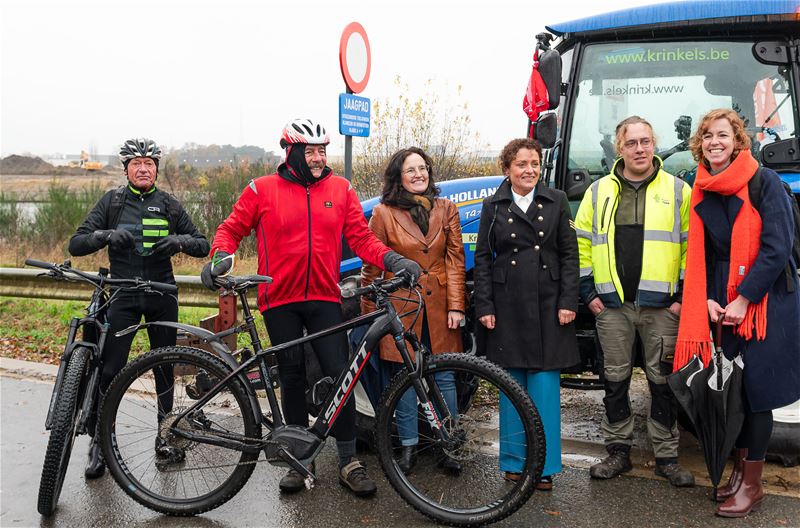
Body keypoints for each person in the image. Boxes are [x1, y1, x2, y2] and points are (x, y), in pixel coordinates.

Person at [201, 118, 421, 497]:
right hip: (279, 298)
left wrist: (392, 260)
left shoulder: (340, 189)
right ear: (292, 152)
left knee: (342, 375)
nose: (318, 158)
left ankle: (349, 461)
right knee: (292, 376)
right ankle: (298, 461)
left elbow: (361, 237)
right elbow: (231, 229)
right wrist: (220, 257)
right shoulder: (262, 189)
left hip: (323, 297)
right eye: (310, 151)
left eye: (322, 150)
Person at [674, 108, 800, 517]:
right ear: (700, 143)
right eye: (708, 135)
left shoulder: (765, 183)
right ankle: (738, 472)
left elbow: (777, 248)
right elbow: (705, 254)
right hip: (724, 301)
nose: (715, 142)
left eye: (723, 135)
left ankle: (753, 483)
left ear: (737, 140)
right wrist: (708, 298)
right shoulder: (703, 187)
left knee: (758, 392)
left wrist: (744, 298)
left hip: (766, 301)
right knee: (737, 390)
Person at [68, 137, 210, 478]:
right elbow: (76, 243)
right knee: (111, 369)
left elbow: (203, 244)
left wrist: (178, 241)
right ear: (127, 169)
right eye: (136, 164)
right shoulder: (112, 202)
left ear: (156, 169)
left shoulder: (170, 204)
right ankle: (100, 443)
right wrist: (105, 236)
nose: (143, 168)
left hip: (162, 293)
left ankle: (166, 435)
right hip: (124, 295)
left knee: (164, 366)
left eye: (149, 163)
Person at [574, 116, 695, 487]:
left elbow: (693, 249)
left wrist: (680, 298)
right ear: (619, 147)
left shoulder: (678, 191)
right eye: (631, 143)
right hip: (612, 307)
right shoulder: (598, 192)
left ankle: (667, 458)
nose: (639, 149)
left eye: (645, 142)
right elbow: (580, 246)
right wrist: (589, 295)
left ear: (654, 144)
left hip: (663, 308)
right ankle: (618, 453)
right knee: (615, 379)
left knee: (663, 383)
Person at [473, 138, 579, 491]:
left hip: (549, 306)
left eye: (534, 163)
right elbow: (484, 260)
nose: (529, 170)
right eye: (521, 164)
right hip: (506, 307)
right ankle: (516, 462)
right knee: (511, 387)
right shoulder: (494, 205)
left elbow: (569, 255)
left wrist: (569, 301)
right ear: (507, 169)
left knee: (545, 388)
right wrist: (484, 306)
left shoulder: (556, 201)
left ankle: (544, 465)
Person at [360, 147, 467, 475]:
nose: (419, 174)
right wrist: (370, 312)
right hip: (400, 306)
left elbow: (455, 260)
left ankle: (448, 444)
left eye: (423, 168)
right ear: (399, 176)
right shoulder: (383, 213)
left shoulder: (447, 208)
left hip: (439, 306)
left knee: (445, 377)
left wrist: (457, 306)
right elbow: (372, 264)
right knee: (403, 379)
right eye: (411, 170)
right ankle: (407, 447)